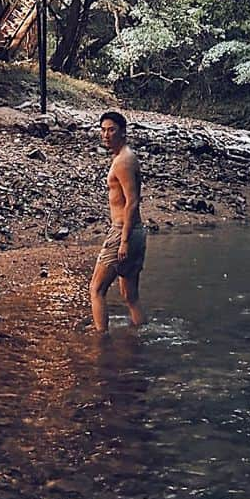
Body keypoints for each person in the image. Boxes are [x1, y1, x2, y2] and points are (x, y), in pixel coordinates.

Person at [89, 110, 147, 332]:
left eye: (111, 130)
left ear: (123, 132)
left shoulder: (123, 161)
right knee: (130, 296)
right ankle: (140, 338)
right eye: (103, 130)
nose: (106, 135)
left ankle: (100, 343)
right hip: (136, 231)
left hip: (124, 231)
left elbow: (132, 202)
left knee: (96, 289)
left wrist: (123, 241)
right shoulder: (124, 157)